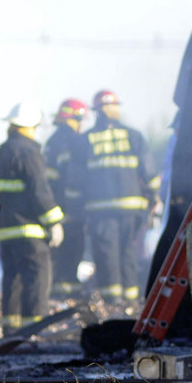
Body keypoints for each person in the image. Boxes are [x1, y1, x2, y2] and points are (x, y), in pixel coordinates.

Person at [0, 102, 63, 333]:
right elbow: (39, 191)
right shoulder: (29, 153)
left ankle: (11, 330)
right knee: (37, 277)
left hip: (6, 230)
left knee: (12, 279)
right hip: (29, 229)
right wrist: (54, 221)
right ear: (29, 127)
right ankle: (35, 330)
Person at [82, 90, 155, 305]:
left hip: (100, 210)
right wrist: (152, 197)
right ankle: (131, 303)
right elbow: (149, 172)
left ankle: (112, 302)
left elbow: (79, 178)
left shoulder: (87, 139)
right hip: (131, 208)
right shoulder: (134, 135)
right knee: (128, 251)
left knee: (107, 254)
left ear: (96, 112)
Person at [43, 99, 88, 298]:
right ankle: (70, 299)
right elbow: (76, 179)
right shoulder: (75, 141)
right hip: (72, 210)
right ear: (76, 118)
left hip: (56, 209)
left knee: (59, 258)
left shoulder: (53, 141)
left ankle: (59, 298)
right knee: (72, 256)